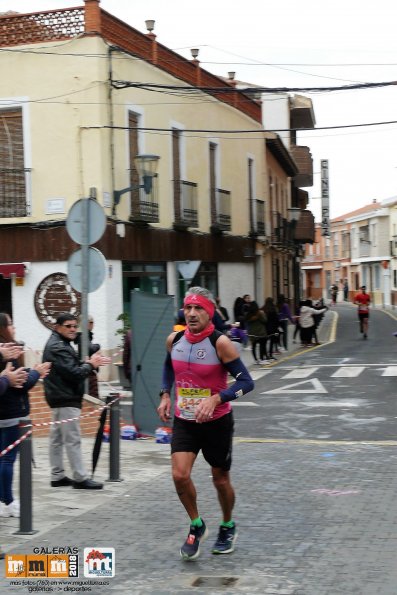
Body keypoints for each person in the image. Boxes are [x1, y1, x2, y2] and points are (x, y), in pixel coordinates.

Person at [157, 287, 254, 560]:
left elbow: (247, 382)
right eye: (187, 308)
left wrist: (216, 399)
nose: (191, 313)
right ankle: (197, 525)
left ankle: (227, 525)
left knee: (220, 479)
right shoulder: (174, 340)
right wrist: (165, 394)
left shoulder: (220, 343)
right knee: (179, 475)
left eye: (198, 308)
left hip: (217, 422)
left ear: (209, 312)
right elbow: (168, 368)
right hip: (185, 420)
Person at [43, 313, 111, 490]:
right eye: (68, 326)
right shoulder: (58, 347)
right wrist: (91, 365)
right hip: (65, 397)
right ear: (57, 327)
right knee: (72, 438)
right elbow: (75, 373)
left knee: (56, 438)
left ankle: (57, 475)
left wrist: (89, 363)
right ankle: (80, 478)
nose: (73, 329)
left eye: (75, 326)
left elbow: (71, 368)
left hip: (60, 396)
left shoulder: (60, 344)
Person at [0, 313, 50, 518]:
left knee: (4, 459)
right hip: (11, 413)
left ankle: (4, 500)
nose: (14, 328)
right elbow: (19, 383)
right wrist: (36, 373)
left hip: (6, 412)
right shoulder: (7, 353)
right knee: (7, 459)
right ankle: (8, 502)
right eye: (10, 324)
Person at [73, 315, 101, 399]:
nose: (93, 325)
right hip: (88, 372)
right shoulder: (83, 336)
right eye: (91, 323)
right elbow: (89, 348)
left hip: (87, 369)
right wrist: (98, 346)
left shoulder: (82, 336)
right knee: (93, 399)